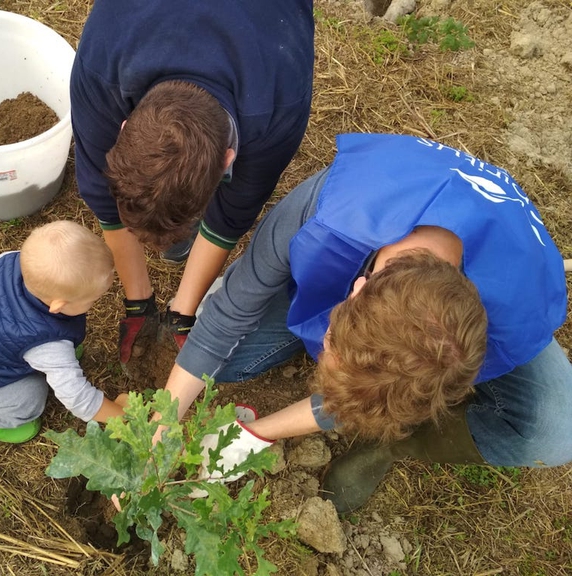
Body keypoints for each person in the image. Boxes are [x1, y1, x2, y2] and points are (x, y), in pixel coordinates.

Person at [161, 133, 572, 512]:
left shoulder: (512, 318)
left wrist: (259, 434)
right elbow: (230, 312)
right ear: (355, 287)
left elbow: (380, 391)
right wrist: (160, 428)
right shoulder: (331, 208)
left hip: (501, 294)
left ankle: (395, 444)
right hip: (376, 205)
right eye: (330, 342)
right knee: (217, 354)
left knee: (557, 430)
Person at [69, 0, 315, 365]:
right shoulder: (100, 68)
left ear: (228, 160)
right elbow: (103, 198)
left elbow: (229, 217)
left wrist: (182, 313)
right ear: (123, 127)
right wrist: (138, 301)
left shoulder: (277, 108)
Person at [0, 221, 127, 444]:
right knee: (30, 397)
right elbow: (77, 397)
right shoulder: (46, 343)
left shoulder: (11, 260)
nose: (96, 303)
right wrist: (123, 417)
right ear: (58, 306)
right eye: (93, 300)